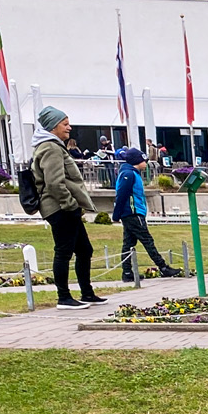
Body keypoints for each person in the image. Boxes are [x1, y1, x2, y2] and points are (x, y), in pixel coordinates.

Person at [32, 106, 103, 306]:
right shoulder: (50, 147)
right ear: (53, 127)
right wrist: (69, 204)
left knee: (84, 250)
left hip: (65, 207)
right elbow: (54, 182)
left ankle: (87, 293)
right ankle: (63, 297)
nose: (69, 128)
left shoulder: (53, 146)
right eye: (65, 124)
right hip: (60, 208)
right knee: (63, 251)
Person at [112, 147, 174, 281]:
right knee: (147, 240)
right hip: (133, 213)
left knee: (128, 243)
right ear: (137, 161)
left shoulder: (132, 173)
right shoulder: (128, 174)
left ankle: (127, 272)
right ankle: (162, 267)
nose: (145, 163)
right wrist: (116, 215)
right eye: (143, 160)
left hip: (134, 213)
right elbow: (122, 195)